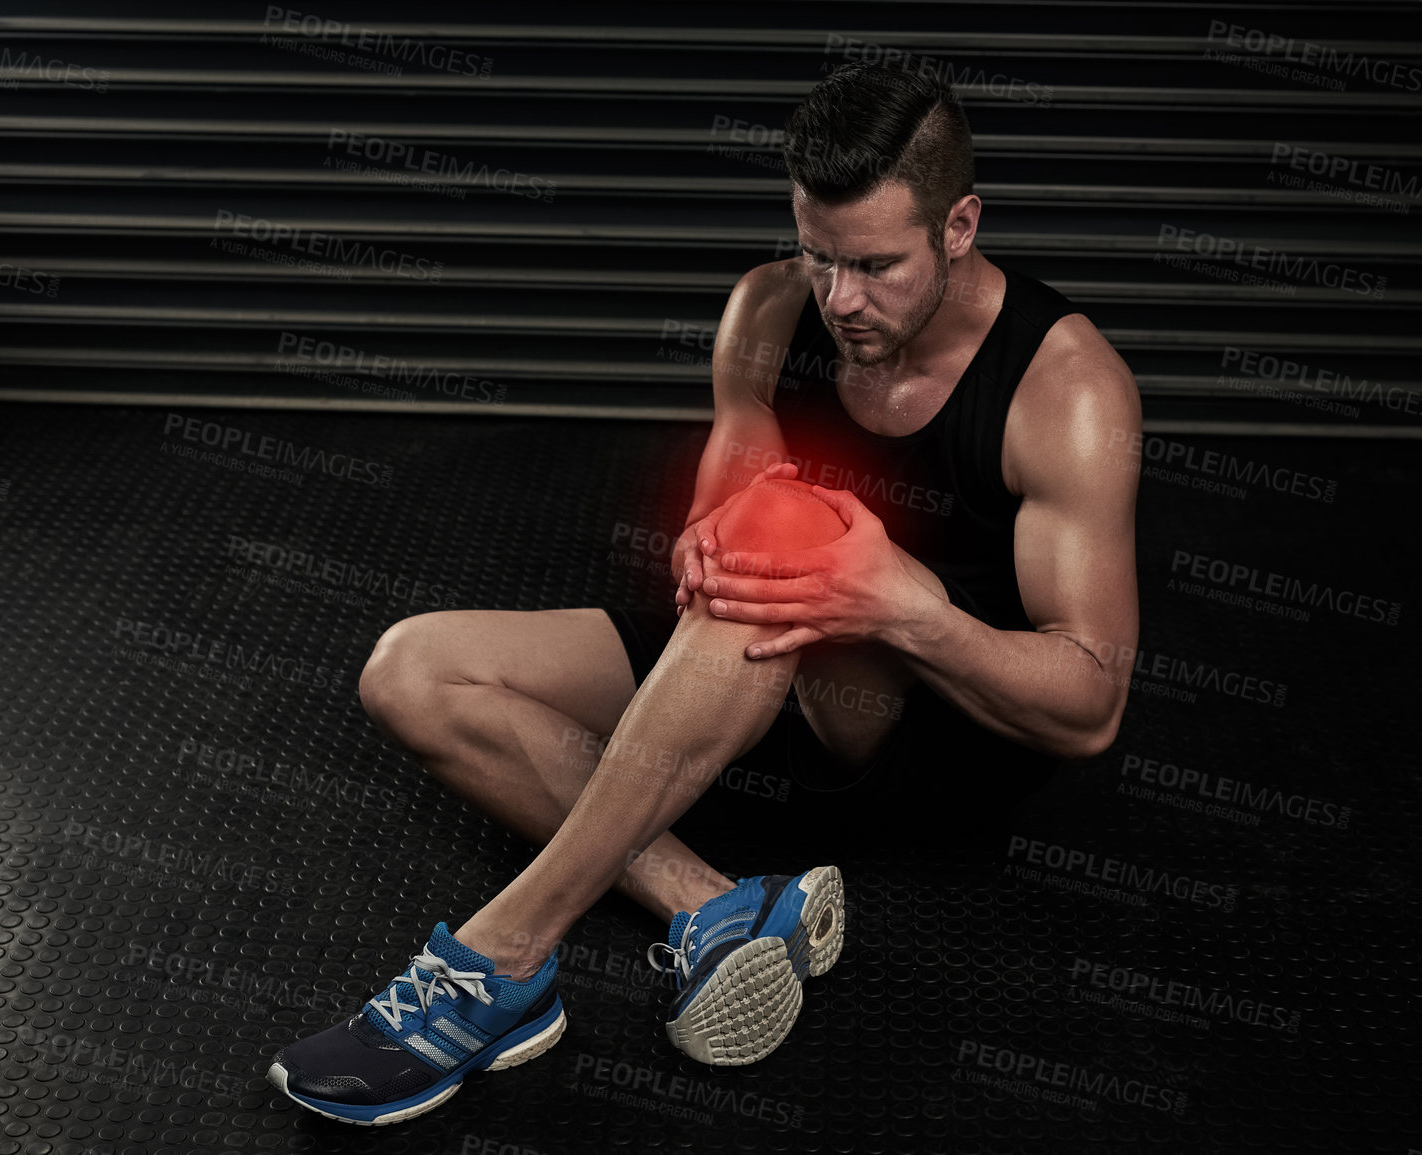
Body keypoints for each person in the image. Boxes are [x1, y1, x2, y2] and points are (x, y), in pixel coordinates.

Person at [266, 58, 1142, 1127]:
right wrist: (715, 540)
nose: (841, 299)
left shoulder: (1066, 386)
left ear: (959, 226)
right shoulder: (770, 309)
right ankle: (720, 907)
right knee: (411, 669)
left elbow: (1091, 706)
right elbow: (730, 524)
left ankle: (503, 960)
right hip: (756, 679)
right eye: (819, 256)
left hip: (930, 732)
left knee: (792, 542)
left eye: (876, 265)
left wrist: (897, 606)